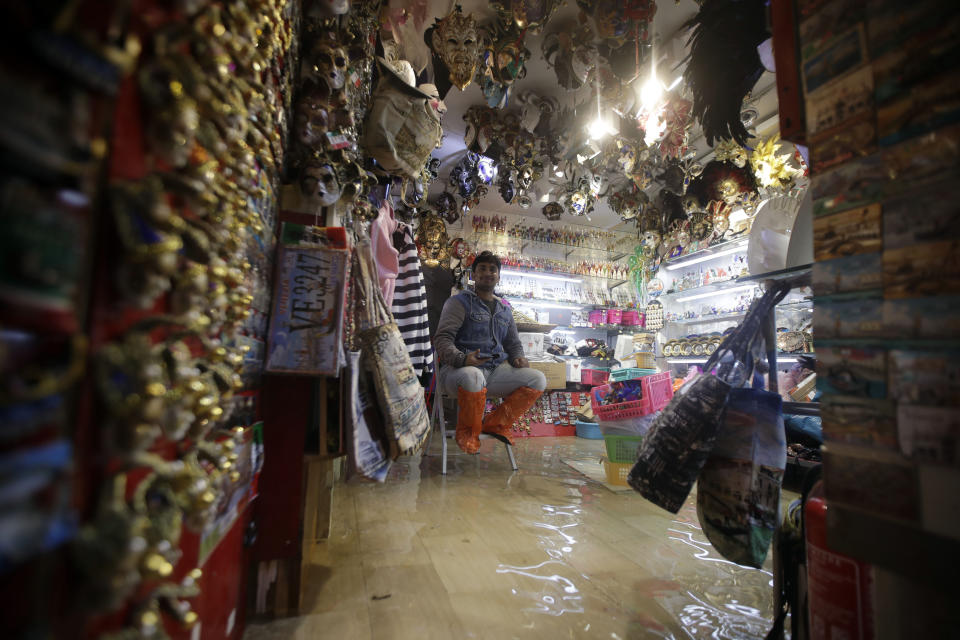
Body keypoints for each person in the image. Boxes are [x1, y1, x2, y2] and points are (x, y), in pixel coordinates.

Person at [434, 251, 547, 453]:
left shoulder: (505, 309)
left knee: (538, 379)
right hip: (457, 373)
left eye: (492, 269)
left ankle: (497, 423)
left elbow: (513, 343)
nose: (488, 273)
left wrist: (518, 357)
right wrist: (462, 359)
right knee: (474, 375)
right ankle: (468, 433)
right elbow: (442, 340)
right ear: (473, 275)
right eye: (482, 269)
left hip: (494, 372)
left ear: (498, 276)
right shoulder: (458, 302)